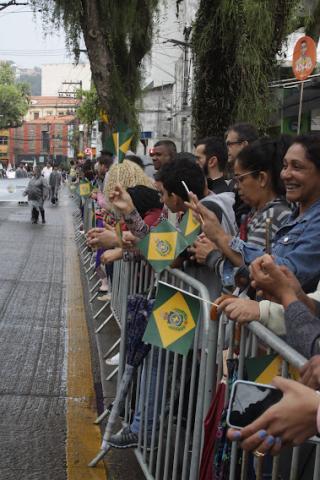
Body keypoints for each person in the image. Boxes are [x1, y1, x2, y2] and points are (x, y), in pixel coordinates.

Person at [188, 135, 320, 292]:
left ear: (262, 178)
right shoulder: (292, 218)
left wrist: (219, 246)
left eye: (297, 167)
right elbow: (258, 269)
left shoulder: (277, 216)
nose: (286, 174)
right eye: (284, 166)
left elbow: (280, 275)